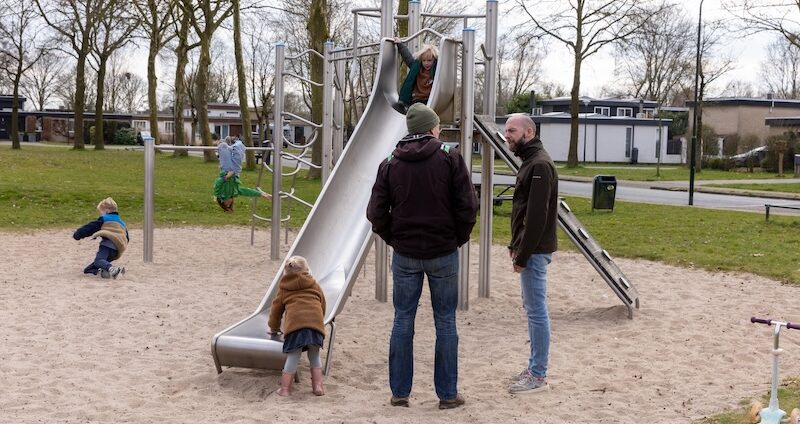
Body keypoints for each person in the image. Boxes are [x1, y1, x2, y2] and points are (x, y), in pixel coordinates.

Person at [367, 103, 478, 409]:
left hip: (406, 253)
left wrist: (394, 239)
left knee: (403, 319)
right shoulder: (449, 157)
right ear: (431, 129)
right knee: (445, 321)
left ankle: (400, 392)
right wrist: (457, 238)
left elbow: (375, 212)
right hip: (442, 251)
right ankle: (447, 394)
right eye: (438, 127)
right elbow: (467, 206)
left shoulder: (390, 162)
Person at [504, 114, 558, 394]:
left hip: (534, 251)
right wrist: (515, 245)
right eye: (505, 131)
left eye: (511, 130)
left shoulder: (539, 164)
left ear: (528, 131)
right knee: (533, 309)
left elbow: (537, 217)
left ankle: (538, 375)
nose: (507, 135)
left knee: (537, 312)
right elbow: (522, 211)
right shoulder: (530, 161)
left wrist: (523, 255)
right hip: (529, 249)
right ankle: (534, 367)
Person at [267, 256, 327, 397]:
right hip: (315, 325)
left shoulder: (284, 289)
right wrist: (319, 320)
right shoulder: (314, 285)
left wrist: (274, 328)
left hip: (295, 327)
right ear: (307, 269)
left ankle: (285, 389)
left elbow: (276, 312)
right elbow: (322, 304)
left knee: (294, 356)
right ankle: (318, 386)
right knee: (315, 355)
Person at [73, 197, 129, 279]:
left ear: (106, 210)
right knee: (89, 269)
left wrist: (78, 234)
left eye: (102, 212)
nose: (101, 214)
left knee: (98, 261)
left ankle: (113, 270)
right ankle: (105, 271)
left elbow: (90, 228)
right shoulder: (122, 223)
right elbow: (126, 237)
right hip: (117, 250)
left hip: (107, 245)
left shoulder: (105, 219)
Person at [214, 135, 271, 212]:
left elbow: (218, 183)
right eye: (230, 205)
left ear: (222, 202)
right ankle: (234, 143)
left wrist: (226, 177)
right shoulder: (235, 192)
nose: (229, 203)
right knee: (239, 151)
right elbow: (246, 191)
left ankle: (226, 145)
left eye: (226, 204)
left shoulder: (219, 194)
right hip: (236, 171)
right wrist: (262, 194)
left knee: (223, 147)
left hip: (226, 169)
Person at [393, 37, 438, 108]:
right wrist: (400, 44)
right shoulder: (417, 67)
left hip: (430, 99)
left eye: (429, 60)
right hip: (417, 98)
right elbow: (407, 57)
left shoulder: (436, 69)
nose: (426, 63)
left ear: (434, 60)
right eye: (424, 60)